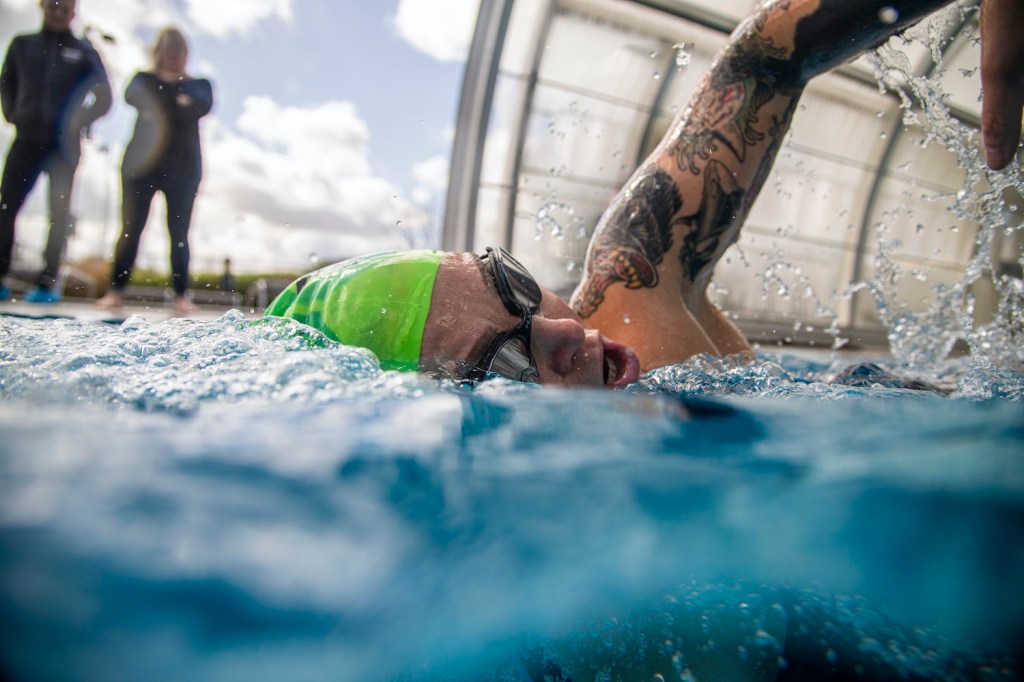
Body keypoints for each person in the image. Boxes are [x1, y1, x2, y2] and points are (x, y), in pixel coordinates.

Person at [268, 0, 1022, 388]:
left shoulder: (631, 299)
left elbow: (760, 64)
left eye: (521, 288)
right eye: (505, 365)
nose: (565, 334)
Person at [0, 0, 112, 304]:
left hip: (64, 145)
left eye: (66, 5)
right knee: (7, 206)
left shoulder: (84, 51)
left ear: (74, 10)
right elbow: (5, 83)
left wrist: (79, 121)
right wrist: (13, 113)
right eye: (53, 4)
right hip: (25, 138)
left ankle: (48, 282)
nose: (59, 9)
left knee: (59, 214)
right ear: (43, 6)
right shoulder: (23, 45)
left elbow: (105, 96)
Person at [96, 27, 213, 316]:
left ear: (186, 55)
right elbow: (136, 98)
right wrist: (177, 99)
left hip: (184, 169)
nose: (172, 57)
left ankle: (181, 295)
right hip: (140, 167)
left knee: (180, 233)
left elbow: (199, 107)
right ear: (157, 52)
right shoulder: (141, 79)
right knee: (131, 229)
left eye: (178, 52)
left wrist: (165, 99)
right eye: (167, 51)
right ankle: (115, 290)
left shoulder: (201, 84)